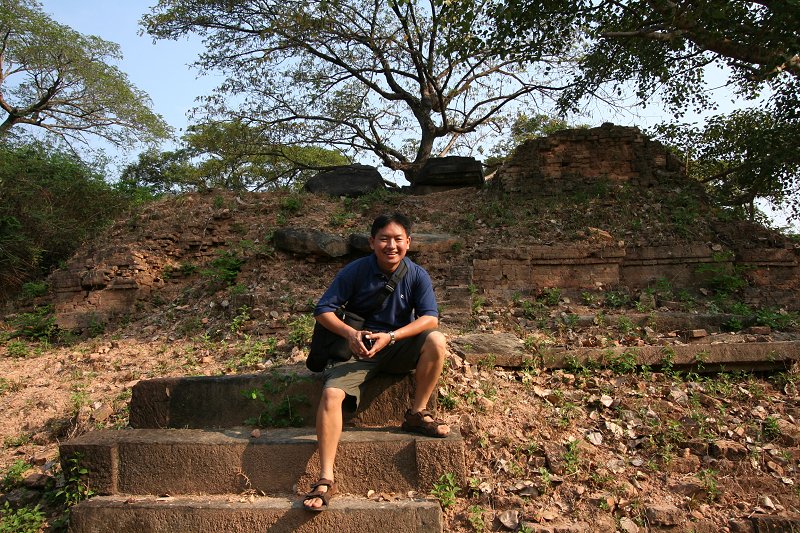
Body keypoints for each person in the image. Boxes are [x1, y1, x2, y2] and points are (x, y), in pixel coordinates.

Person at [302, 213, 449, 511]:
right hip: (358, 352)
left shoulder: (416, 274)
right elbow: (323, 310)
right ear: (372, 243)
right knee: (331, 393)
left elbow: (430, 318)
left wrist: (392, 337)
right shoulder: (355, 271)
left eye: (398, 239)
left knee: (436, 340)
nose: (391, 245)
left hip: (396, 348)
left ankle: (416, 413)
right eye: (384, 239)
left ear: (408, 242)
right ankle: (325, 476)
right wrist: (350, 334)